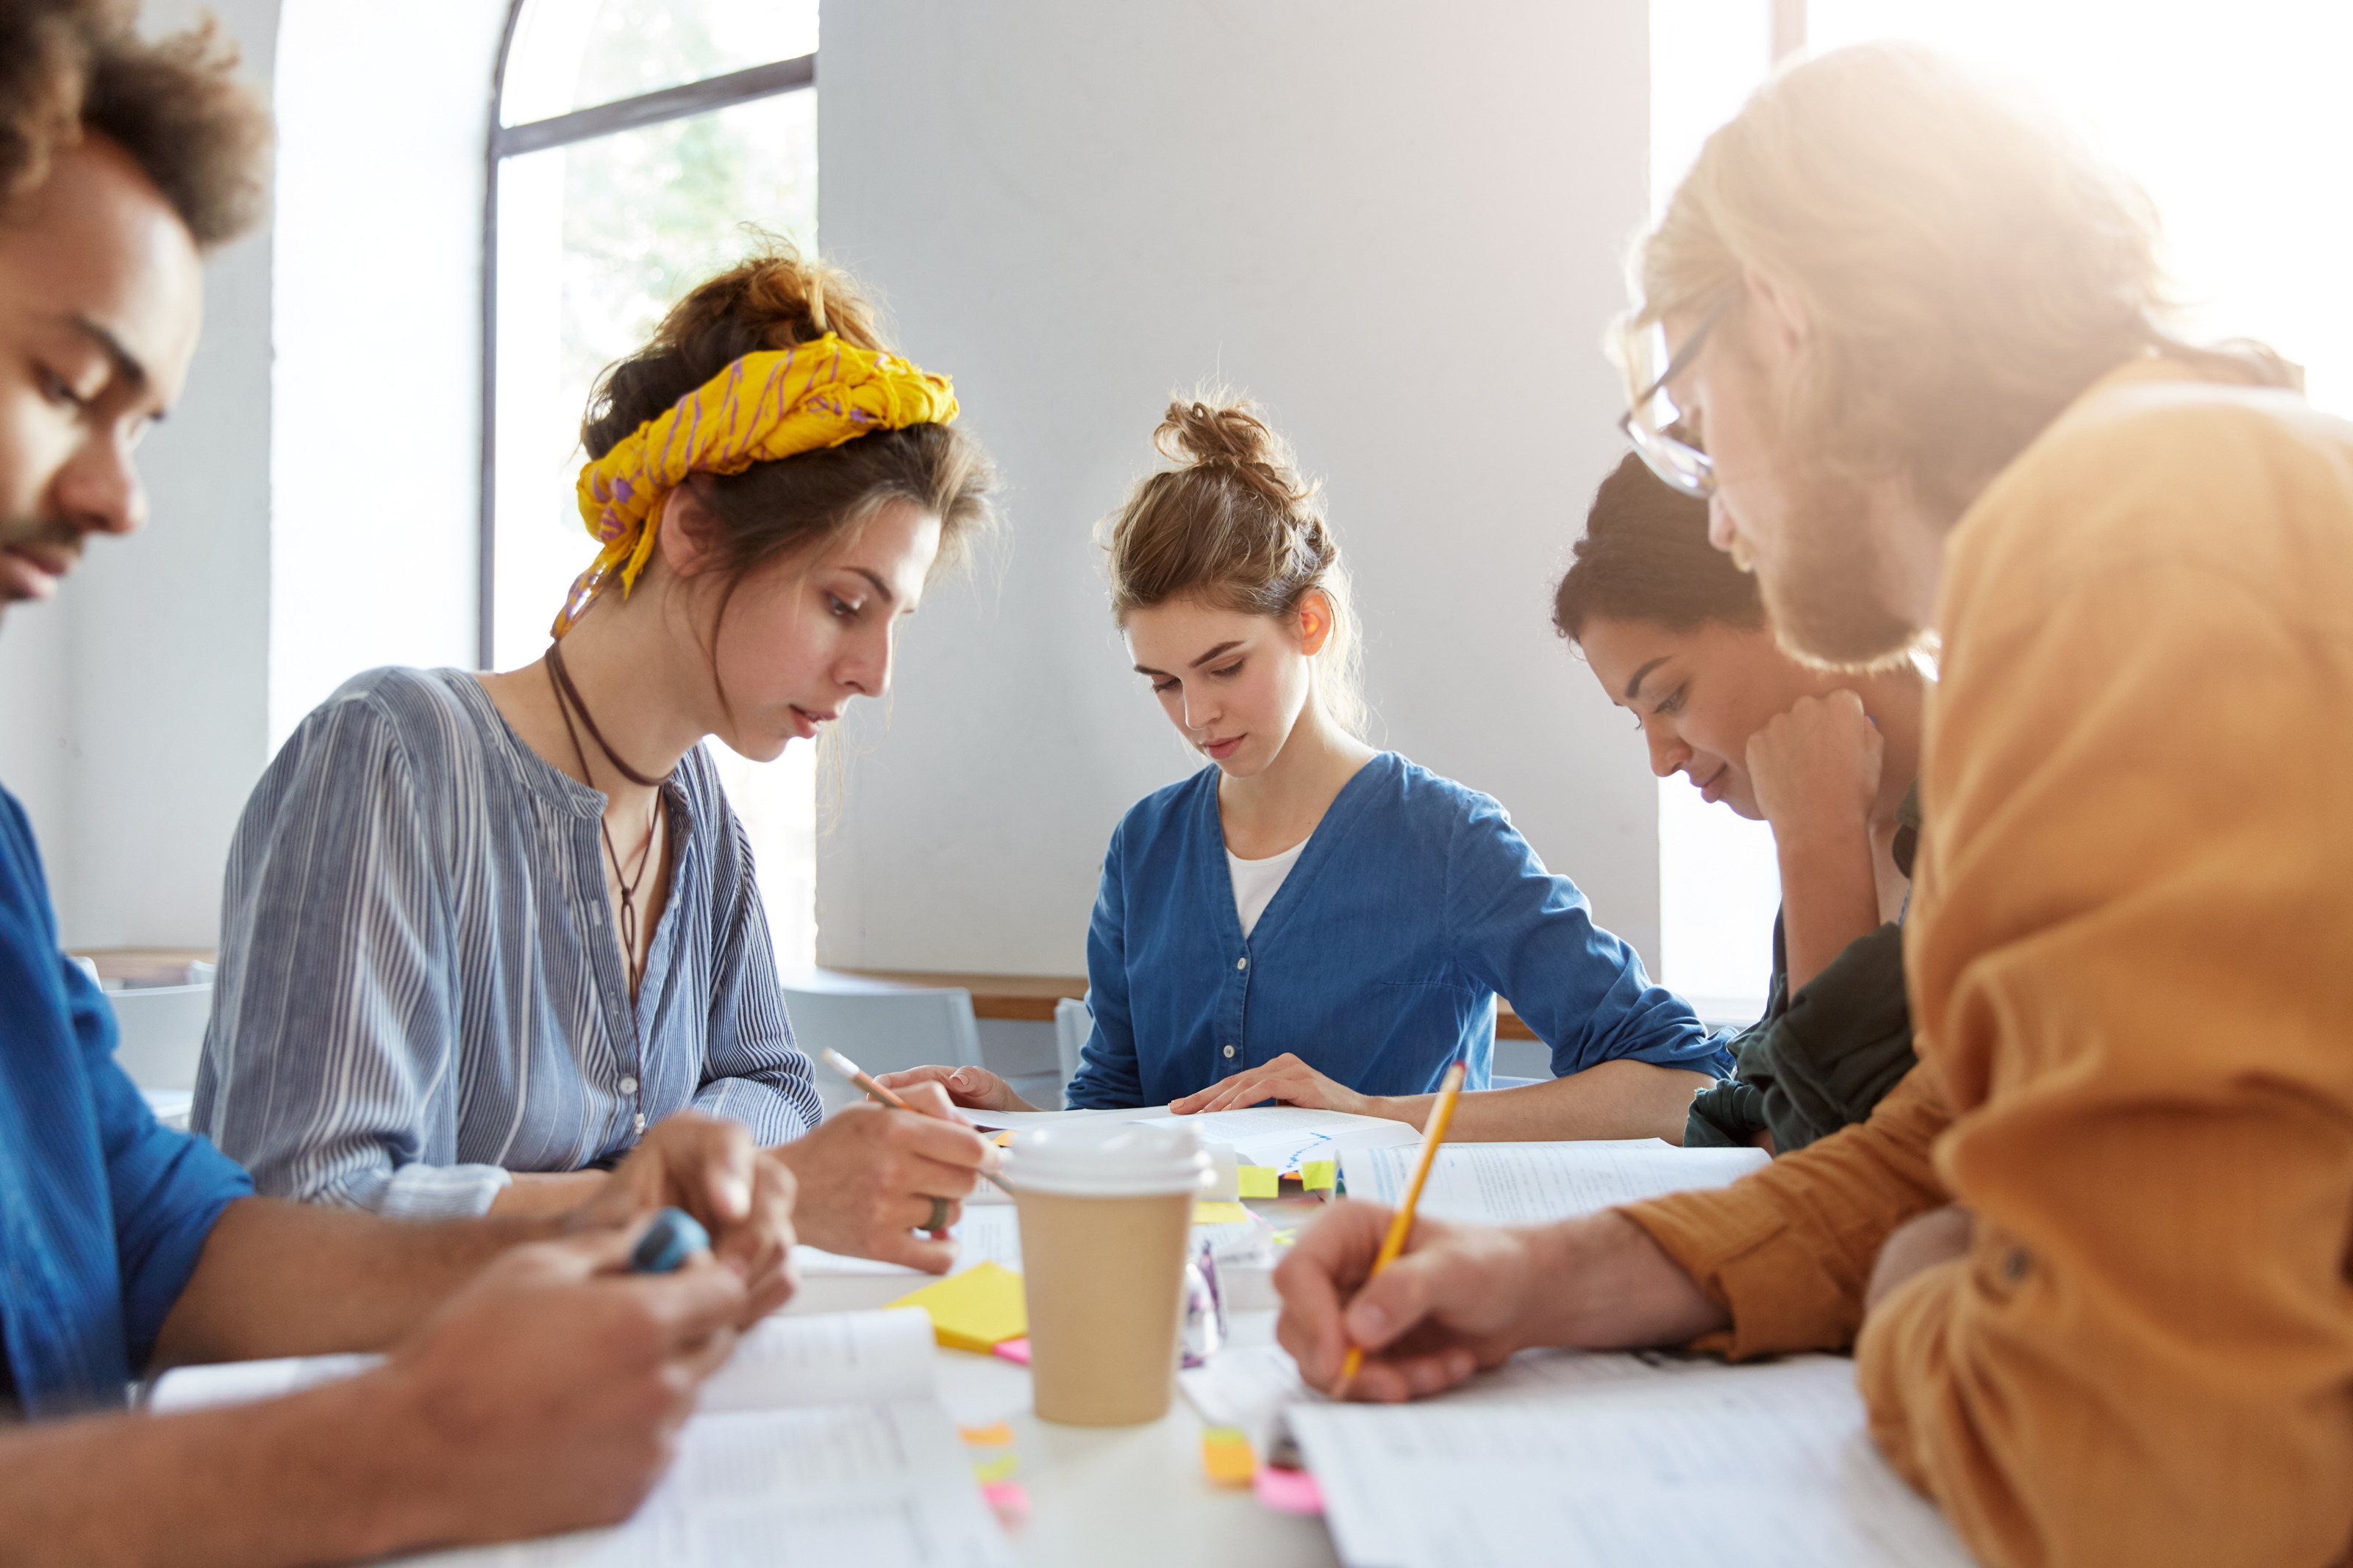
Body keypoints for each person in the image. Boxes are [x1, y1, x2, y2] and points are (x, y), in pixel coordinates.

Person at [1274, 40, 2353, 1568]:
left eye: (1692, 417)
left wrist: (1920, 1286)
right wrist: (1555, 1273)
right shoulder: (2172, 496)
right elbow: (1944, 1139)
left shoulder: (2124, 537)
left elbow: (2164, 1476)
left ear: (1781, 311)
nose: (1714, 506)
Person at [0, 7, 796, 1559]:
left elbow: (172, 1240)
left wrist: (601, 1224)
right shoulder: (396, 749)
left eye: (141, 423)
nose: (118, 495)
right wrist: (393, 1447)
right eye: (60, 383)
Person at [193, 244, 1003, 1272]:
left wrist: (701, 1164)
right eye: (845, 603)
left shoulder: (696, 815)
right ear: (693, 530)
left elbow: (773, 1080)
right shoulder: (393, 756)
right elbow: (303, 1210)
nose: (875, 673)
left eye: (896, 620)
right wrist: (709, 1192)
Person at [886, 397, 1729, 1141]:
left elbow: (1682, 1086)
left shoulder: (1446, 841)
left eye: (1224, 668)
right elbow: (1119, 1118)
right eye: (1163, 684)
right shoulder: (1144, 847)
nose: (1194, 715)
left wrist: (1375, 1114)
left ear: (1310, 623)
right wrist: (1010, 1122)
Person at [1555, 452, 1924, 1153]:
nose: (1663, 759)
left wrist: (1817, 842)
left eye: (1671, 697)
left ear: (1793, 606)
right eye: (1641, 719)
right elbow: (1758, 1106)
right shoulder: (1845, 824)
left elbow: (1841, 1163)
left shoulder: (2002, 810)